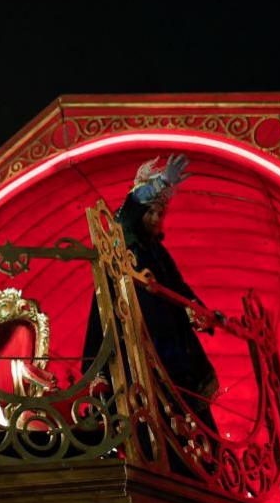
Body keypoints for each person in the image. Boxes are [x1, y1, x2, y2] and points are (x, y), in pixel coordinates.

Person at [82, 154, 219, 430]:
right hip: (138, 340)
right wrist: (160, 183)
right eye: (150, 212)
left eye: (160, 213)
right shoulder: (124, 239)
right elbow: (131, 207)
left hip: (173, 345)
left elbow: (179, 287)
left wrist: (201, 310)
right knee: (150, 413)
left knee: (189, 414)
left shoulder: (158, 251)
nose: (156, 218)